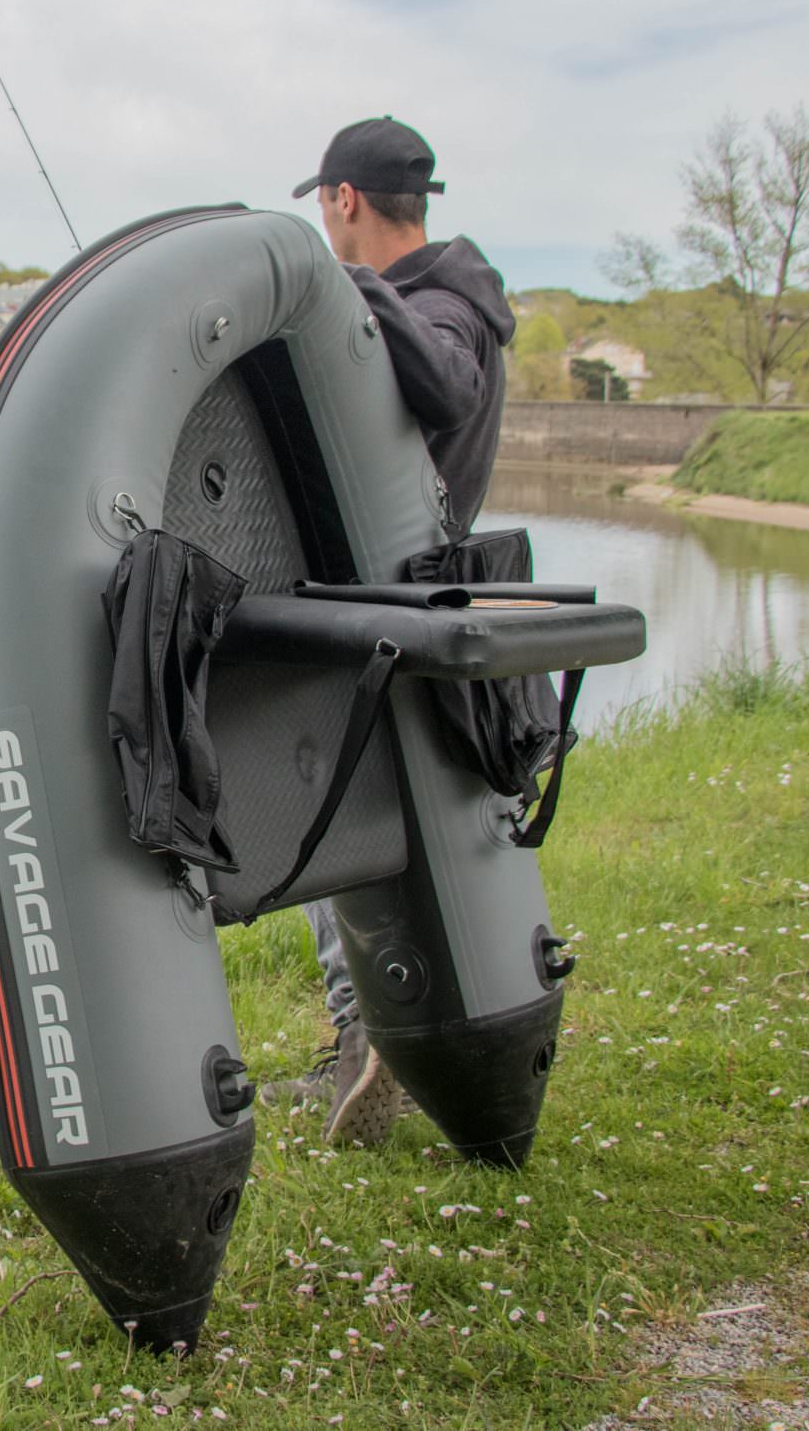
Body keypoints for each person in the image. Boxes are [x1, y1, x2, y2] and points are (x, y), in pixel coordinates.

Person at [265, 116, 517, 1146]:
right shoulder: (440, 296)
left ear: (344, 201)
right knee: (363, 835)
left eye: (323, 210)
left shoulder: (447, 302)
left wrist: (353, 293)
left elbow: (448, 378)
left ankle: (366, 1035)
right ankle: (378, 1033)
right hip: (388, 612)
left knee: (321, 826)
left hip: (389, 618)